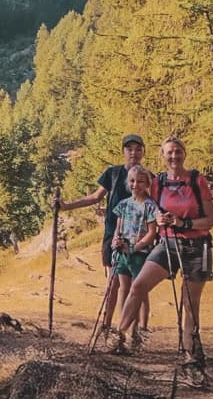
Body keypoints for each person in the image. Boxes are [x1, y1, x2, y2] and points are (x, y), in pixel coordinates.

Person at [114, 136, 213, 386]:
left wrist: (184, 223)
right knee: (138, 286)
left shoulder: (196, 180)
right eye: (169, 153)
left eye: (178, 152)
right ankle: (119, 337)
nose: (174, 157)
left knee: (189, 304)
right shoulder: (158, 182)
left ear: (184, 153)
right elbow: (143, 202)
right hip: (167, 244)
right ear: (163, 155)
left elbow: (211, 220)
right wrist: (158, 222)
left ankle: (190, 357)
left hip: (196, 246)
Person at [57, 133, 148, 338]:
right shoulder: (113, 173)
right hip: (112, 235)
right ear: (123, 152)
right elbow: (96, 197)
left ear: (143, 152)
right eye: (129, 149)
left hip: (139, 239)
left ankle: (132, 331)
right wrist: (67, 206)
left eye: (138, 149)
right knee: (113, 282)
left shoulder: (147, 176)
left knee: (136, 284)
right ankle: (107, 328)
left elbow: (154, 203)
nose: (133, 152)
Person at [107, 165, 158, 355]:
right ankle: (122, 330)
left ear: (147, 184)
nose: (136, 185)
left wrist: (136, 247)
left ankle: (136, 331)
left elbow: (152, 233)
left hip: (140, 253)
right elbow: (118, 228)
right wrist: (115, 241)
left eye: (140, 181)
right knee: (123, 289)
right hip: (122, 253)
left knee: (139, 291)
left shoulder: (150, 206)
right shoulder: (123, 204)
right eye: (132, 181)